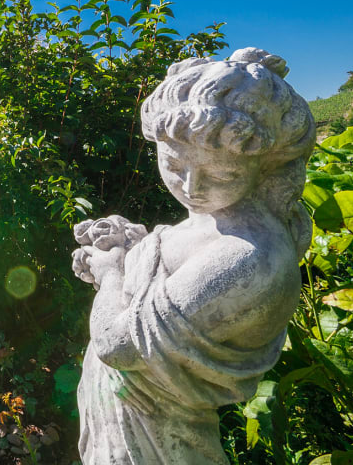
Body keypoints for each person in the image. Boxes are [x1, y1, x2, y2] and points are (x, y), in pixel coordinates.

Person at [72, 48, 316, 464]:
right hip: (123, 414)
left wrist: (111, 274)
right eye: (172, 163)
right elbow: (171, 262)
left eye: (222, 174)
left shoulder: (249, 257)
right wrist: (132, 245)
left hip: (160, 438)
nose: (191, 187)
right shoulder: (218, 212)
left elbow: (119, 346)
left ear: (267, 167)